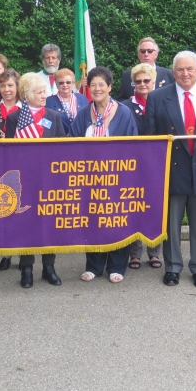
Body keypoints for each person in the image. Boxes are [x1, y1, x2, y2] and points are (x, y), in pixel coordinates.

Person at [142, 51, 196, 289]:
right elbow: (149, 137)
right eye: (180, 69)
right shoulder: (158, 97)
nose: (185, 73)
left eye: (190, 68)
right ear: (173, 72)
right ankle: (172, 267)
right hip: (172, 169)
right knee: (171, 223)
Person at [70, 66, 137, 283]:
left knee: (116, 219)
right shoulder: (83, 113)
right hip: (89, 179)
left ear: (109, 87)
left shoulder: (124, 112)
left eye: (101, 84)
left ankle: (117, 265)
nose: (97, 89)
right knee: (93, 220)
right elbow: (72, 144)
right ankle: (94, 265)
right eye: (93, 85)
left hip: (117, 178)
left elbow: (132, 145)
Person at [5, 73, 66, 287]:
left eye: (45, 92)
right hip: (25, 179)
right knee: (27, 223)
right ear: (27, 94)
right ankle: (27, 267)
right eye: (39, 92)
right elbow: (10, 152)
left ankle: (49, 267)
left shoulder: (54, 116)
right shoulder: (15, 118)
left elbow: (61, 148)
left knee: (49, 223)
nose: (44, 96)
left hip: (49, 178)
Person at [121, 63, 163, 270]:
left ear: (153, 82)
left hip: (157, 164)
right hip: (133, 166)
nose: (143, 84)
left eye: (147, 81)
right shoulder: (125, 107)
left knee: (154, 206)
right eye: (138, 81)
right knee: (134, 206)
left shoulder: (162, 103)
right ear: (133, 84)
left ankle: (154, 251)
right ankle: (134, 253)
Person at [117, 37, 174, 101]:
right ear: (138, 54)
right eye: (143, 51)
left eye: (150, 51)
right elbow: (120, 100)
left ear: (156, 54)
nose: (146, 54)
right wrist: (130, 102)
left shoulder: (169, 74)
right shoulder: (127, 75)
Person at [45, 68, 88, 134]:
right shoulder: (49, 101)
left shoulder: (82, 98)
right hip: (61, 140)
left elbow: (88, 119)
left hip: (81, 139)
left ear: (73, 83)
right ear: (56, 84)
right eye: (61, 83)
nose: (65, 85)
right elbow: (47, 124)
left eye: (68, 82)